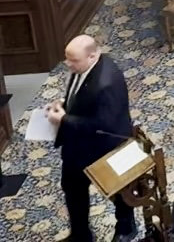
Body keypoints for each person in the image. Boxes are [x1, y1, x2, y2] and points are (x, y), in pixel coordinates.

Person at [51, 34, 137, 242]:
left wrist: (64, 119)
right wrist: (66, 103)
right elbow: (83, 94)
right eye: (67, 58)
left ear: (92, 56)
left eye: (73, 60)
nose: (68, 64)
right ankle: (80, 234)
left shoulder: (106, 82)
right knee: (72, 188)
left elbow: (103, 125)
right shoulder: (86, 66)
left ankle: (126, 228)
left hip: (105, 147)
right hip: (77, 147)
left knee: (118, 193)